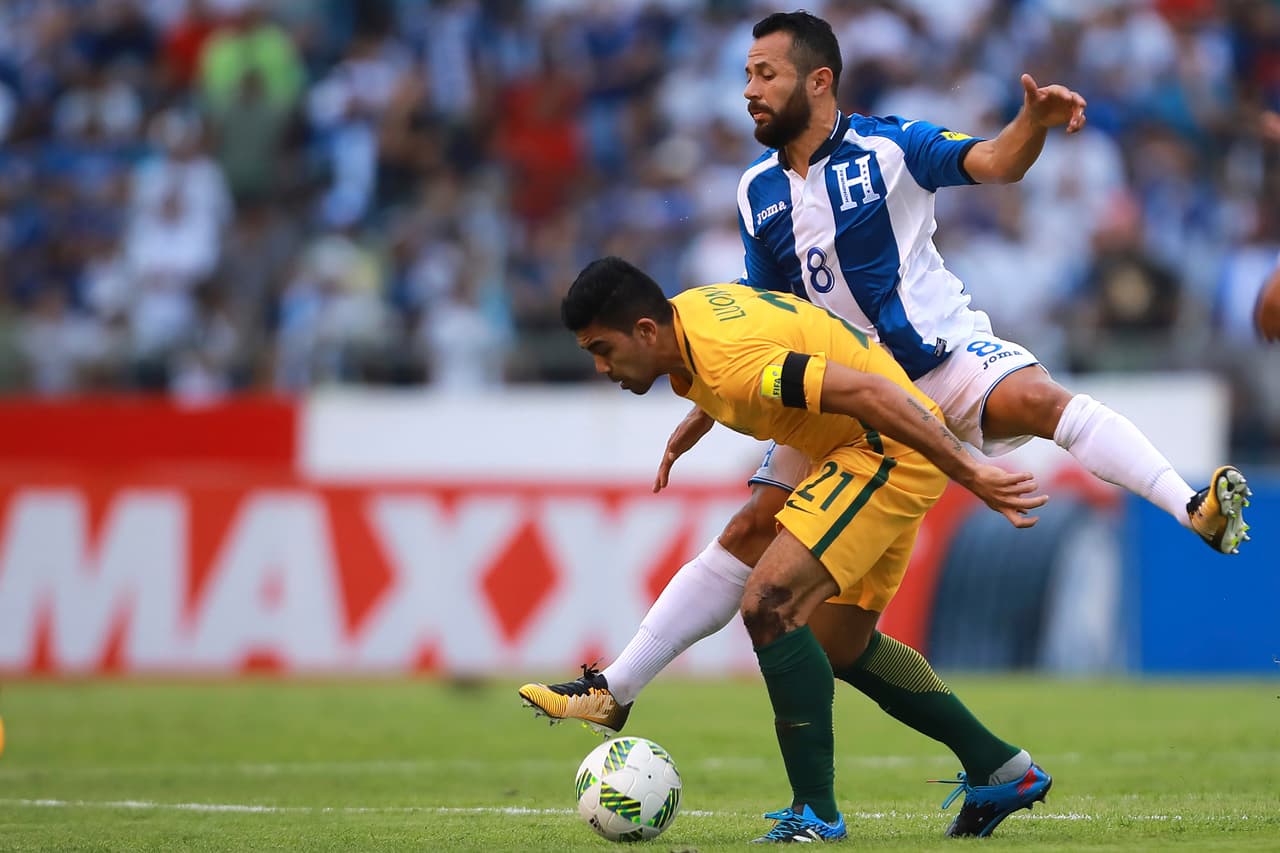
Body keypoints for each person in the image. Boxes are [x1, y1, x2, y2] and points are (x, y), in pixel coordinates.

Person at [520, 10, 1253, 835]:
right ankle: (999, 769)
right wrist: (704, 402)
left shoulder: (888, 148)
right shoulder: (754, 191)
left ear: (819, 81)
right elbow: (771, 311)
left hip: (933, 364)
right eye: (745, 76)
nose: (750, 91)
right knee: (807, 607)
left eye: (765, 74)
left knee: (1041, 406)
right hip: (838, 396)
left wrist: (1033, 124)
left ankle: (1189, 504)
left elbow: (993, 161)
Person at [558, 257, 1052, 842]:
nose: (600, 366)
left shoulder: (732, 364)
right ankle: (1002, 770)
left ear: (645, 331)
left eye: (602, 348)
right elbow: (768, 338)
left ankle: (815, 812)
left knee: (771, 604)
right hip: (838, 440)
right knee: (836, 643)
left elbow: (865, 391)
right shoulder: (690, 319)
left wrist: (969, 469)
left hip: (882, 445)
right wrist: (702, 415)